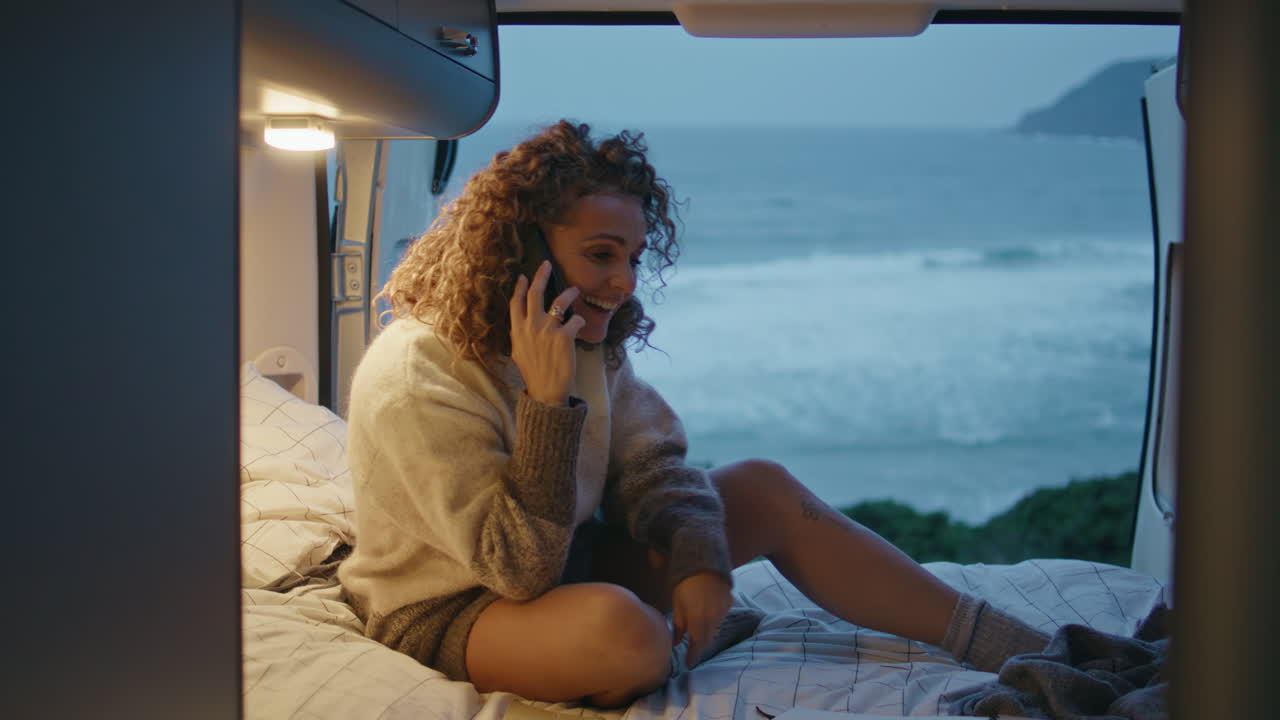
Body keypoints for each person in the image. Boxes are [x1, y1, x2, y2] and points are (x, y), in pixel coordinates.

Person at [337, 120, 1049, 707]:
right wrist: (548, 406)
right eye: (601, 255)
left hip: (571, 566)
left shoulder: (584, 340)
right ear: (524, 250)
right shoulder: (418, 376)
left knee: (763, 487)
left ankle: (1027, 648)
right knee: (623, 635)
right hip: (454, 607)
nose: (624, 283)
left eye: (633, 257)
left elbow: (652, 466)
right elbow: (517, 571)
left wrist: (698, 561)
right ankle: (673, 641)